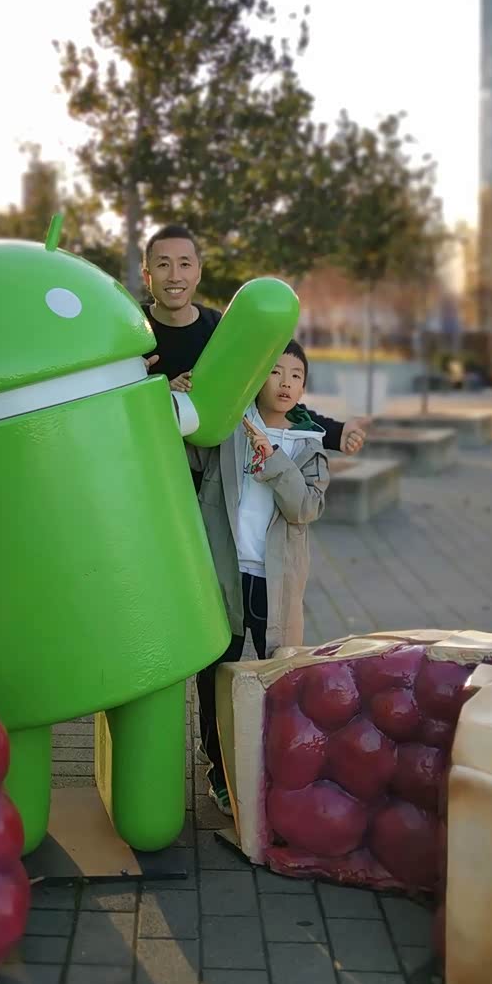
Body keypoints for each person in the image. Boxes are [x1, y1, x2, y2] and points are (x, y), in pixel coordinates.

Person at [188, 339, 329, 815]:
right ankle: (219, 769)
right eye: (276, 372)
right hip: (225, 575)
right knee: (215, 674)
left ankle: (274, 769)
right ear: (258, 376)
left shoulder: (308, 445)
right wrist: (184, 399)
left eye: (297, 376)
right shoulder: (229, 426)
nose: (286, 383)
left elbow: (304, 508)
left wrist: (273, 459)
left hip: (276, 584)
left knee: (279, 676)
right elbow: (186, 454)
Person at [140, 224, 370, 487]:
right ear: (147, 276)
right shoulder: (128, 332)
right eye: (163, 265)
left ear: (198, 272)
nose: (174, 276)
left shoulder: (222, 332)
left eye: (184, 264)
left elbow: (265, 396)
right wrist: (157, 390)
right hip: (143, 474)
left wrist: (336, 433)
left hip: (211, 486)